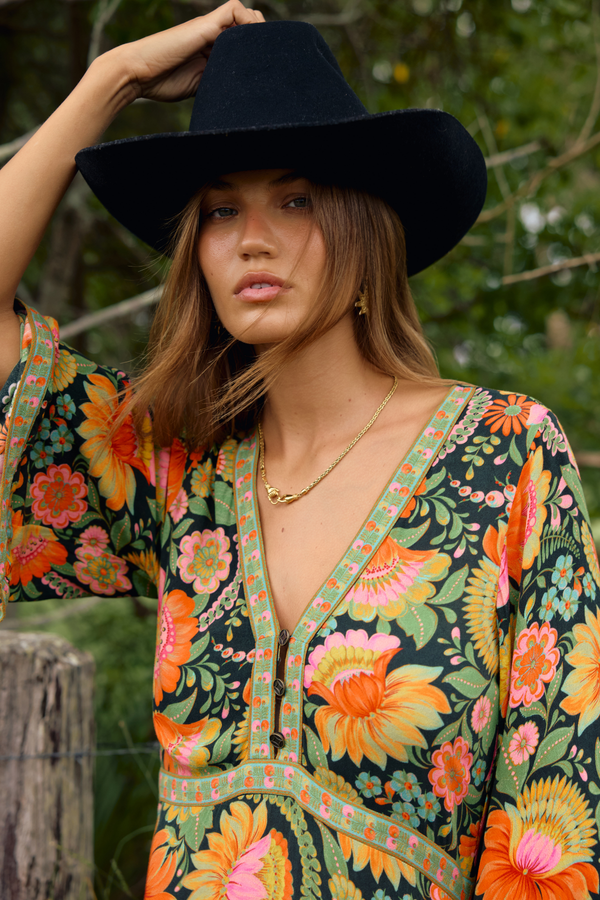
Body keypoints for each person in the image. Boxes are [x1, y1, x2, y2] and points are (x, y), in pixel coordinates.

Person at [1, 3, 600, 898]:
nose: (253, 237)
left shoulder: (505, 457)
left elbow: (557, 818)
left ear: (364, 223)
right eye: (219, 210)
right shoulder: (174, 470)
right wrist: (110, 82)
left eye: (296, 199)